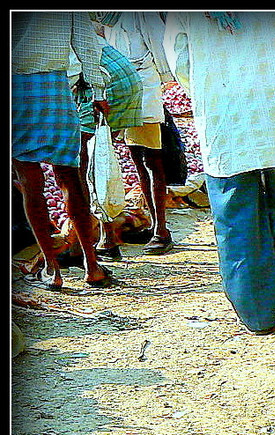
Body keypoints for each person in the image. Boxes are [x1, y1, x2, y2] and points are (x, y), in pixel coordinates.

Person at [164, 12, 275, 336]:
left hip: (222, 113)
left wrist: (208, 82)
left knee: (236, 216)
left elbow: (179, 58)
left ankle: (257, 314)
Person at [12, 11, 114, 290]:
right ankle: (92, 266)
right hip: (56, 87)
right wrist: (99, 90)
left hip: (15, 86)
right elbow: (85, 42)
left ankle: (51, 269)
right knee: (70, 177)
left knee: (30, 181)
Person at [93, 12, 177, 256]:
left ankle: (161, 229)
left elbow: (162, 53)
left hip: (144, 90)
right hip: (119, 93)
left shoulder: (140, 15)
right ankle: (153, 225)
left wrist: (162, 83)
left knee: (151, 161)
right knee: (137, 161)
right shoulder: (107, 22)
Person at [70, 41, 142, 263]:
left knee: (82, 166)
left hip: (103, 82)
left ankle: (90, 242)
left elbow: (72, 71)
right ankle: (105, 237)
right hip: (120, 76)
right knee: (100, 158)